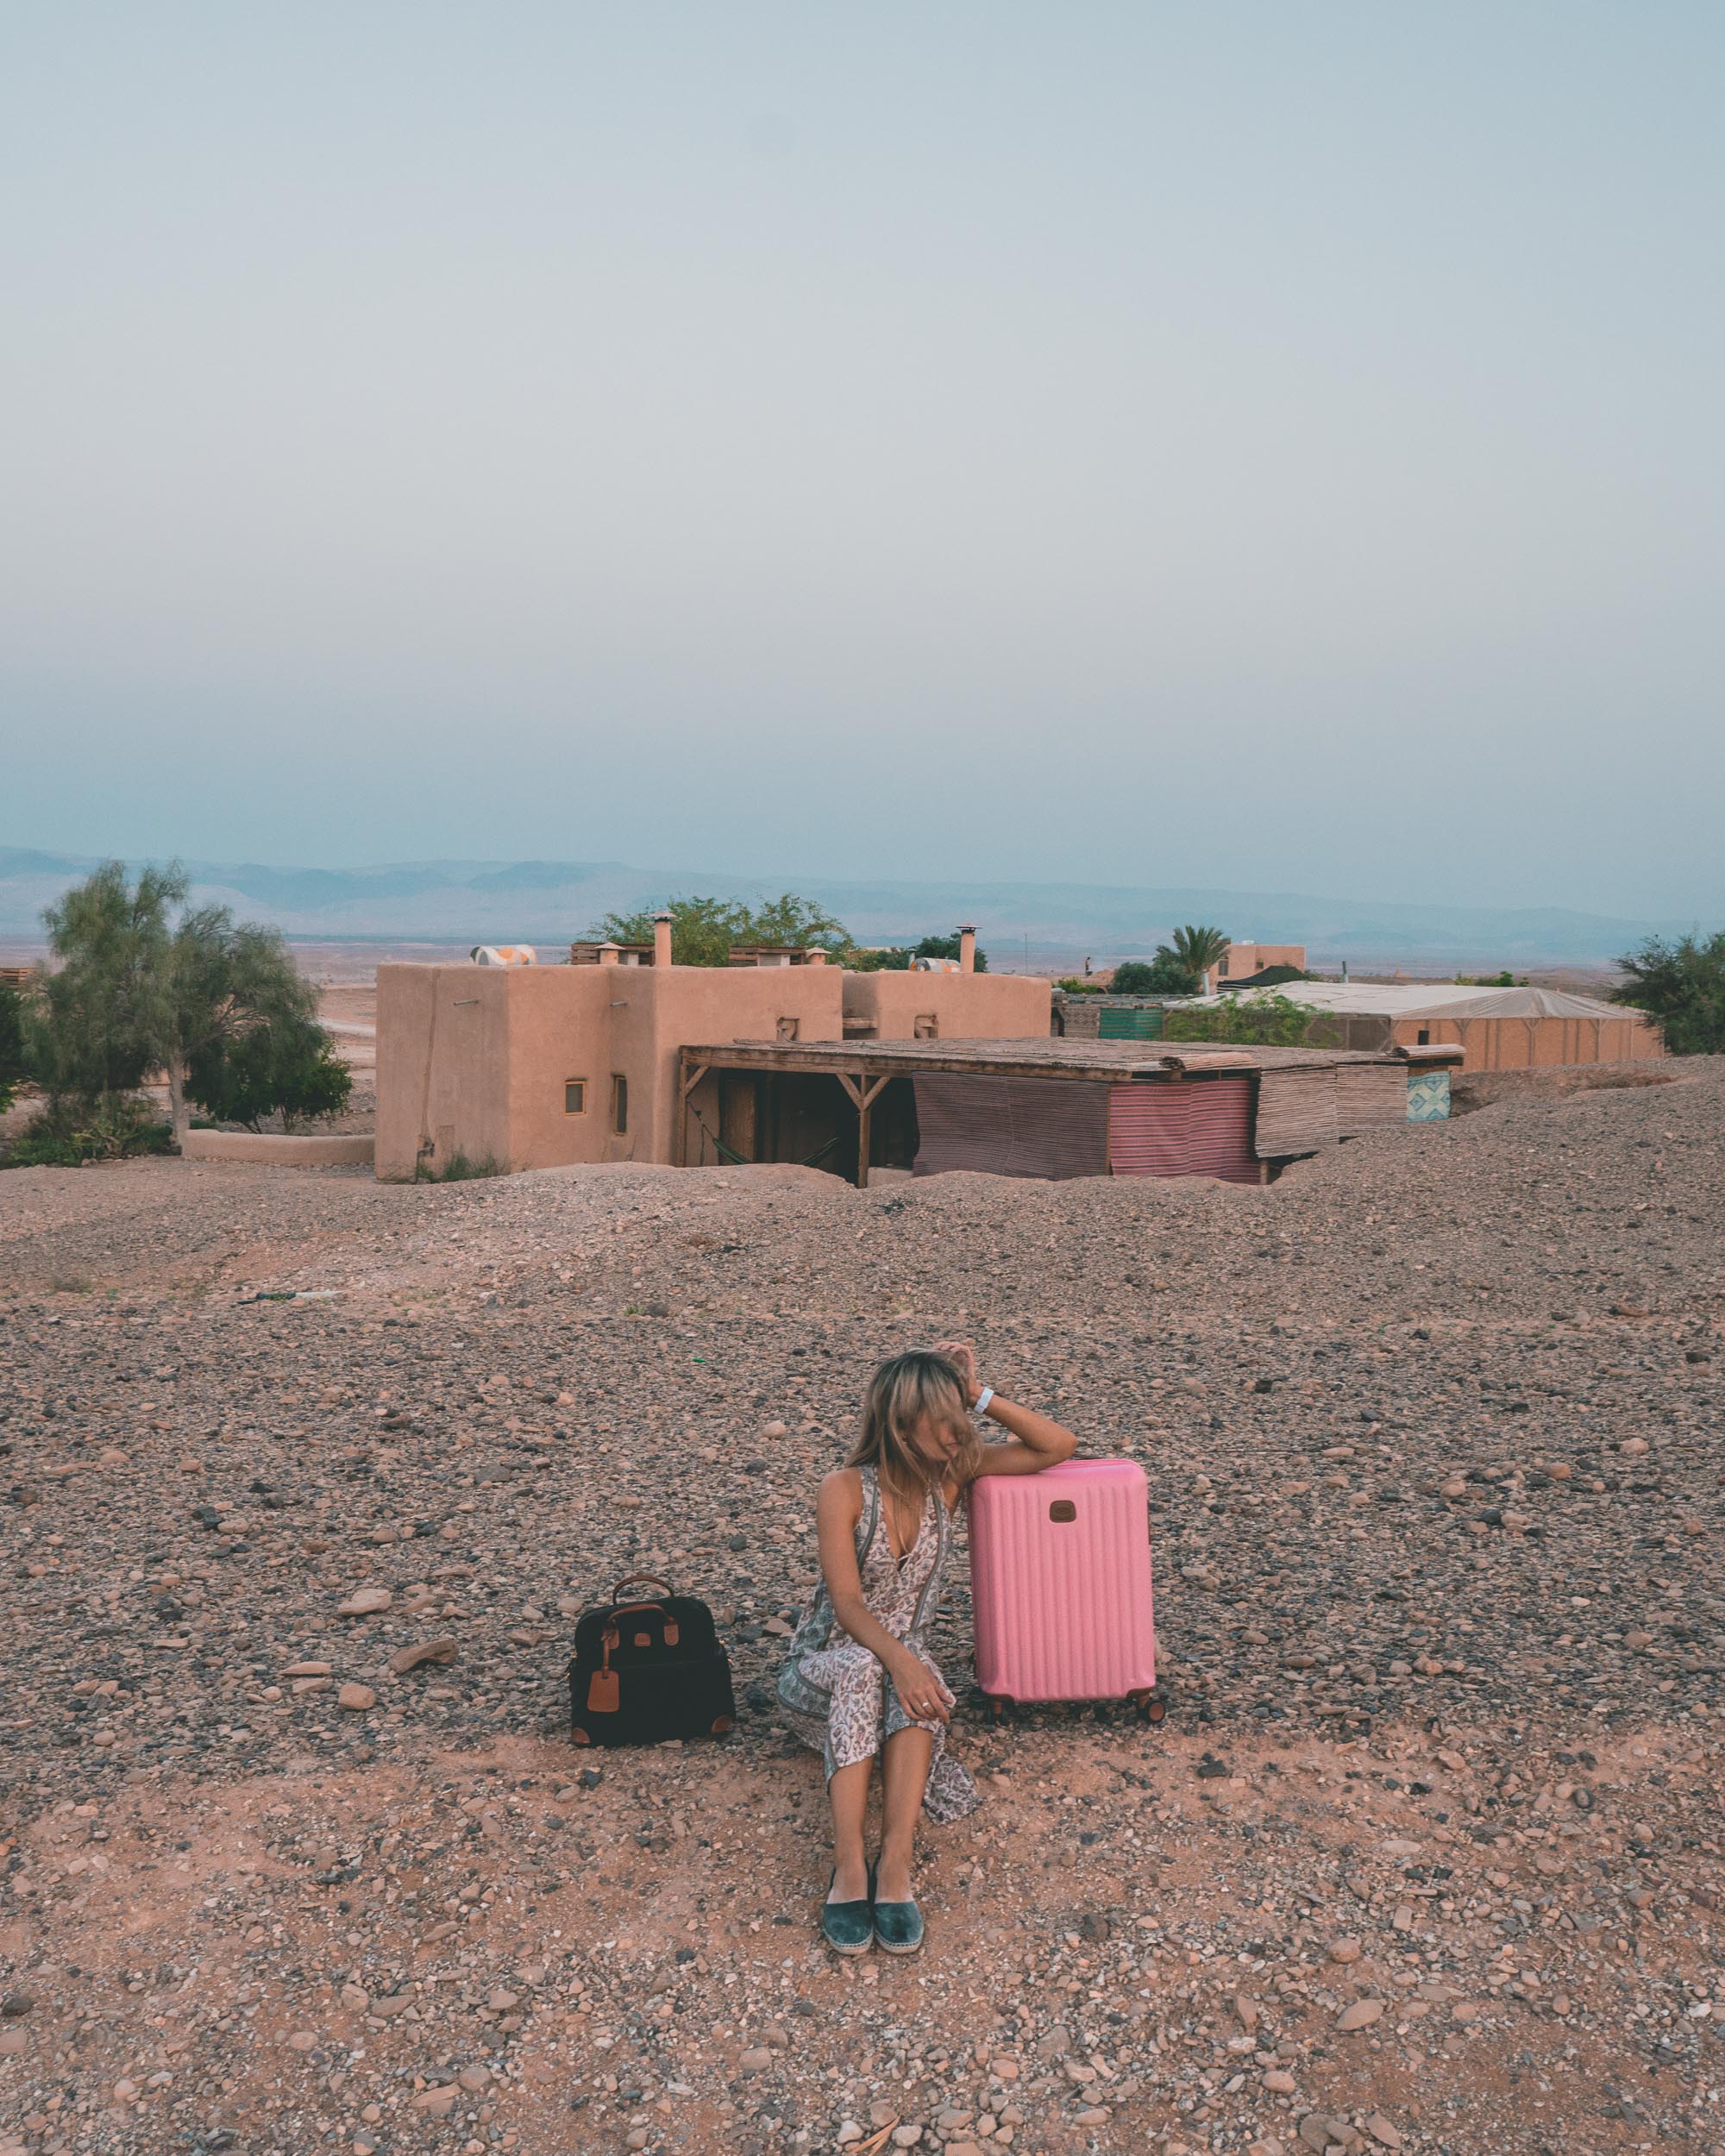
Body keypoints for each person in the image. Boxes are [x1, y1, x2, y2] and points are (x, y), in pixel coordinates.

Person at [776, 1340, 1078, 1954]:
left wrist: (976, 1393)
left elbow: (1057, 1446)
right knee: (874, 1668)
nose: (957, 1432)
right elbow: (849, 1606)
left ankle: (896, 1865)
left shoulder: (952, 1477)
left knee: (915, 1687)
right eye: (940, 1418)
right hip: (825, 1669)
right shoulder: (844, 1490)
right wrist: (904, 1661)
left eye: (958, 1415)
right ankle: (850, 1865)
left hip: (900, 1664)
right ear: (900, 1424)